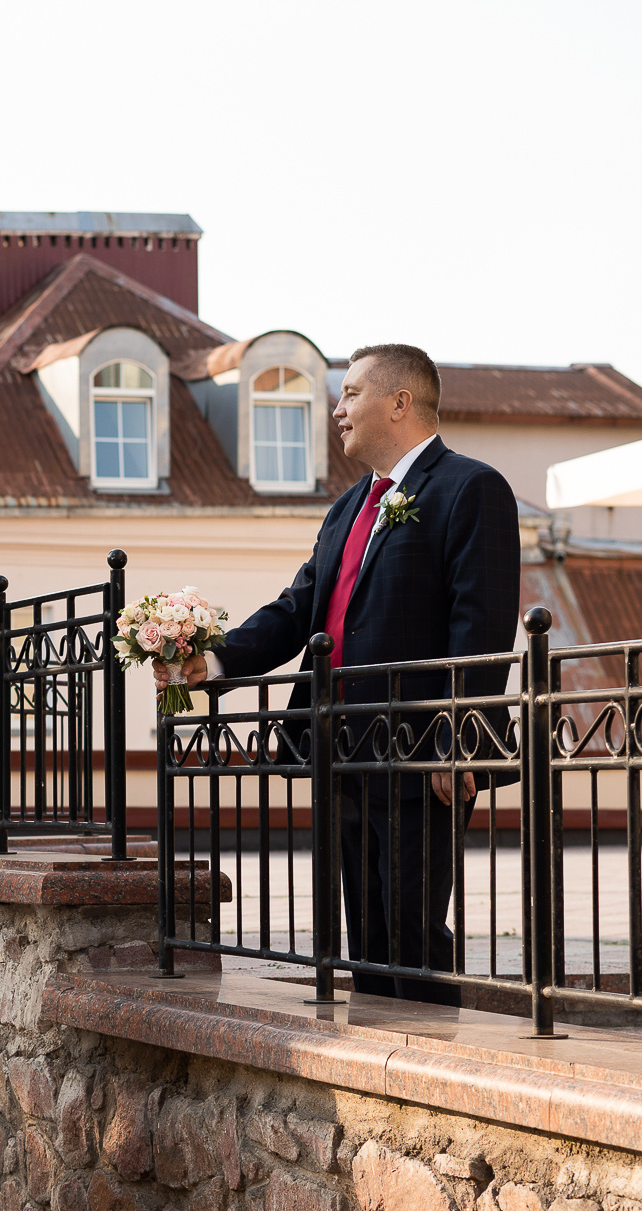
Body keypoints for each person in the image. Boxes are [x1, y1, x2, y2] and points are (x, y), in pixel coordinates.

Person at [157, 344, 519, 1005]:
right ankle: (378, 1052)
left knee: (413, 932)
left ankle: (427, 1065)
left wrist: (458, 737)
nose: (337, 407)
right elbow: (300, 608)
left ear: (401, 403)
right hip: (345, 753)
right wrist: (211, 660)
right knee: (367, 938)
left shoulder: (470, 488)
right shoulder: (347, 508)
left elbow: (483, 627)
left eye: (351, 393)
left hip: (419, 754)